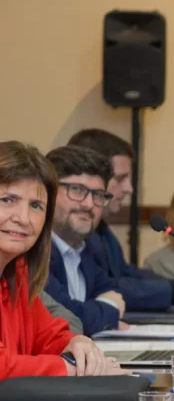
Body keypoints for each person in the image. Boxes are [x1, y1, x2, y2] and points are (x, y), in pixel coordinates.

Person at [0, 141, 118, 377]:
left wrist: (77, 343)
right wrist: (68, 368)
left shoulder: (18, 271)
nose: (23, 218)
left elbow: (46, 334)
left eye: (36, 205)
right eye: (7, 200)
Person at [68, 129, 174, 308]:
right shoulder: (78, 230)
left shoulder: (101, 229)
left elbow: (126, 274)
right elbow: (107, 287)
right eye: (121, 179)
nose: (129, 189)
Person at [44, 146, 127, 336]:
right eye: (77, 190)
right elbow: (65, 317)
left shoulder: (89, 247)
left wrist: (99, 310)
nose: (88, 204)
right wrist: (108, 311)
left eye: (98, 195)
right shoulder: (33, 251)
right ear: (49, 192)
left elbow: (112, 290)